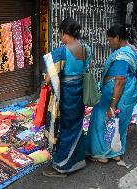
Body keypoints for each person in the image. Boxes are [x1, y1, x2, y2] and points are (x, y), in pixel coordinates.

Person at [42, 18, 92, 177]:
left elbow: (49, 79)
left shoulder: (61, 52)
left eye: (60, 33)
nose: (60, 36)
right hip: (80, 93)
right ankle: (78, 160)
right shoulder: (86, 49)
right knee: (77, 126)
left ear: (64, 33)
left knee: (65, 128)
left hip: (66, 94)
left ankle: (62, 165)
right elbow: (86, 68)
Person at [86, 24, 137, 163]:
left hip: (117, 93)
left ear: (117, 37)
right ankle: (116, 152)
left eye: (110, 40)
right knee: (120, 122)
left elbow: (120, 81)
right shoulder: (132, 49)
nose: (109, 43)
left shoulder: (121, 57)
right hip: (129, 92)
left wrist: (112, 105)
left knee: (102, 120)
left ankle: (102, 154)